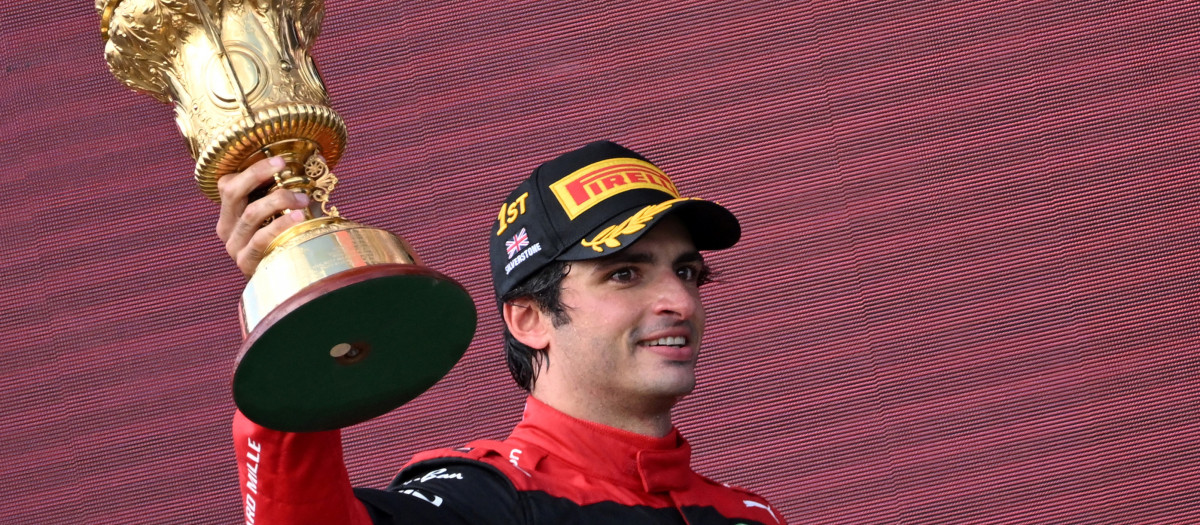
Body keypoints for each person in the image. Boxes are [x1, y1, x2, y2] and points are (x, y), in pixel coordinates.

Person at [218, 141, 787, 524]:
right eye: (624, 273)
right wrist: (291, 311)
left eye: (687, 271)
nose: (678, 300)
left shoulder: (748, 515)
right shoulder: (486, 500)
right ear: (528, 319)